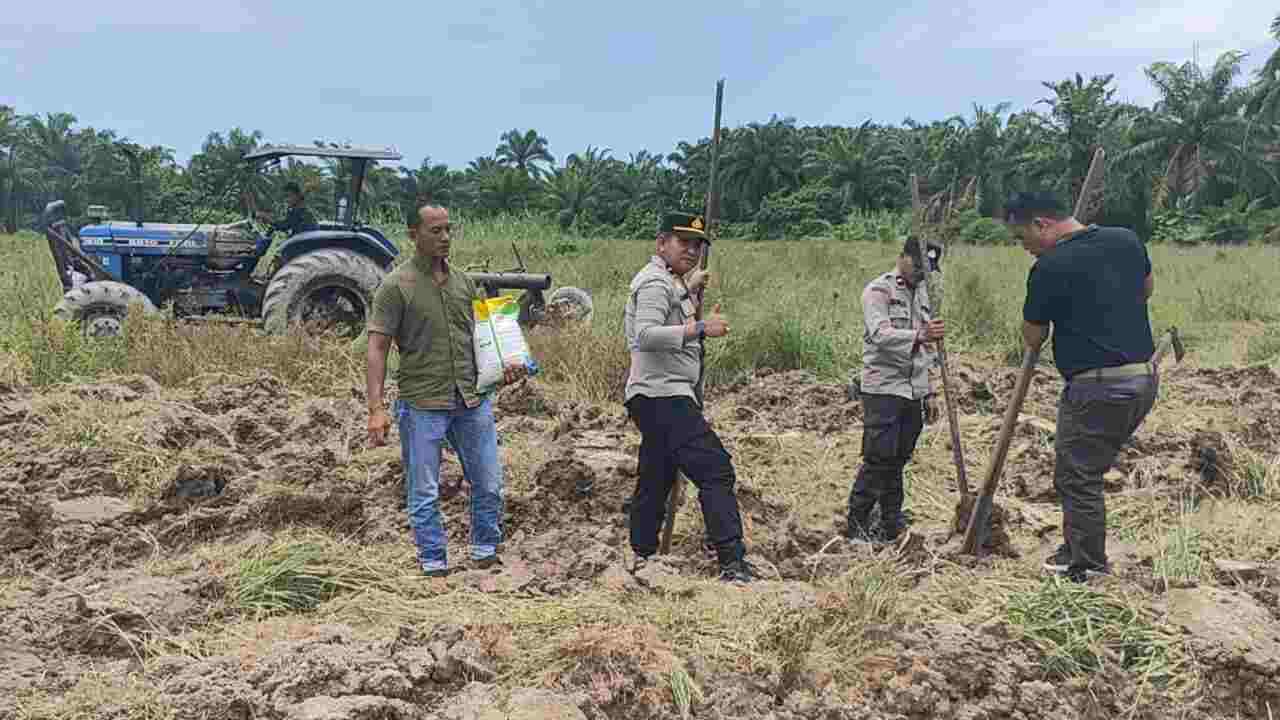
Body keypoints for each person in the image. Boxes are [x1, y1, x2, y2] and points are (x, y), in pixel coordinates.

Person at [1005, 190, 1158, 583]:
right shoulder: (1125, 239)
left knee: (1078, 476)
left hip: (1097, 388)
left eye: (1024, 239)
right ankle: (1075, 546)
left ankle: (1089, 569)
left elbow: (1033, 337)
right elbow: (1146, 290)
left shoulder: (1049, 267)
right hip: (1143, 379)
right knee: (1084, 468)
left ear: (1042, 224)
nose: (1026, 250)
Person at [365, 204, 524, 577]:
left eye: (449, 230)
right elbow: (377, 348)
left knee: (489, 483)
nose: (445, 237)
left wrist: (506, 367)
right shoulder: (395, 287)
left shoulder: (464, 283)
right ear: (413, 234)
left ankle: (485, 552)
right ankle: (434, 562)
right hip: (422, 402)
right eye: (435, 230)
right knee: (424, 491)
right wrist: (376, 407)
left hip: (470, 399)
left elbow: (481, 339)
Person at [623, 211, 753, 583]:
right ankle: (732, 561)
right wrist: (699, 327)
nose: (693, 250)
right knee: (716, 470)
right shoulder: (654, 283)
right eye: (684, 243)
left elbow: (666, 306)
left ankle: (642, 553)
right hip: (663, 396)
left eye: (698, 244)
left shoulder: (668, 281)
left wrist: (687, 288)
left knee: (657, 475)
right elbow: (645, 334)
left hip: (657, 395)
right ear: (661, 243)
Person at [846, 237, 945, 543]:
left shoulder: (925, 294)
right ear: (902, 257)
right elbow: (880, 334)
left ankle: (891, 521)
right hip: (884, 387)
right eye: (918, 266)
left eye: (927, 269)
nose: (921, 273)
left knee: (900, 459)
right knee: (878, 458)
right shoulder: (879, 290)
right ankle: (857, 522)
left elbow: (928, 348)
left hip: (913, 390)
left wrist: (928, 391)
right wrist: (920, 334)